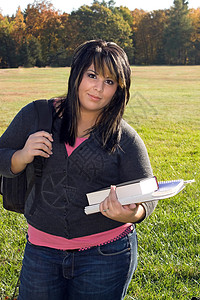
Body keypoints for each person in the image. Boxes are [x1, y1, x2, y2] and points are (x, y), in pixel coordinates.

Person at [0, 40, 157, 300]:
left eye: (109, 81)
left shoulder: (123, 136)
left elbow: (148, 195)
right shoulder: (36, 115)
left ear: (119, 89)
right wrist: (21, 155)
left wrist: (132, 213)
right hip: (41, 252)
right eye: (92, 75)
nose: (98, 88)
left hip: (106, 255)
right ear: (76, 74)